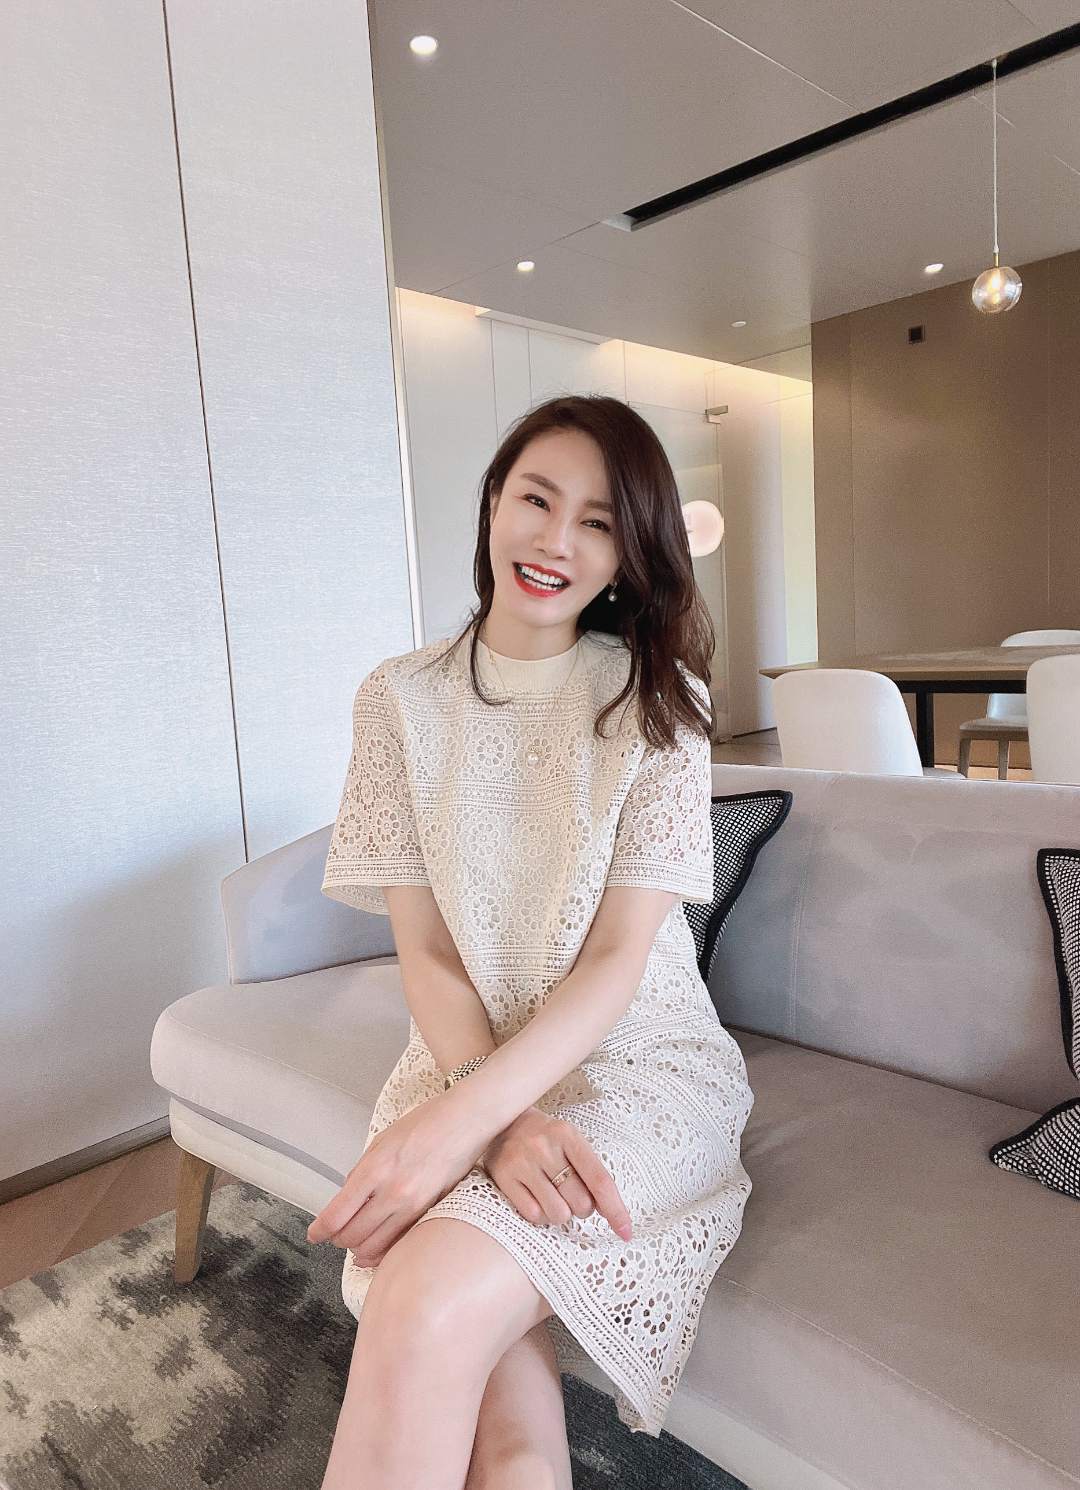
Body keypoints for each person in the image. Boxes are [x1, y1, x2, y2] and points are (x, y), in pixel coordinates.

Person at [308, 393, 754, 1489]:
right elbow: (428, 953)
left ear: (629, 554)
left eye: (597, 522)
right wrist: (491, 1114)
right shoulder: (397, 698)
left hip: (638, 1068)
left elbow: (615, 963)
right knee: (510, 1447)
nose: (556, 540)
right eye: (536, 500)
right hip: (469, 1059)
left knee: (420, 1301)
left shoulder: (662, 700)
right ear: (492, 505)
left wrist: (464, 1126)